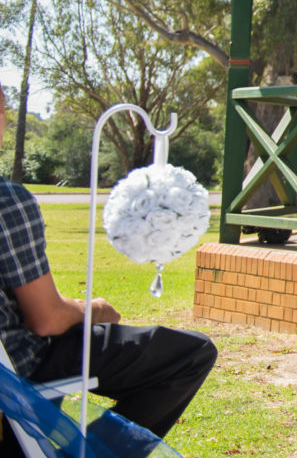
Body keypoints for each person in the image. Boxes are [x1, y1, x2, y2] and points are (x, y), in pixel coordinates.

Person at [0, 103, 216, 456]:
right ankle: (92, 451)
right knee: (190, 354)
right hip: (20, 378)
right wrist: (92, 309)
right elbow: (47, 320)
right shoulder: (7, 200)